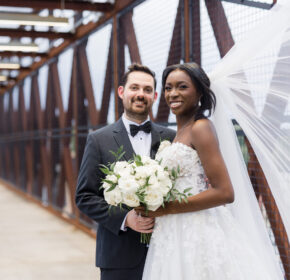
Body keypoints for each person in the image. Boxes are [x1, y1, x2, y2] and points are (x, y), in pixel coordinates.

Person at [136, 63, 281, 280]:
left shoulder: (200, 128)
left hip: (196, 231)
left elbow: (225, 193)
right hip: (171, 231)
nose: (173, 93)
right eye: (168, 87)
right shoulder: (179, 133)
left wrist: (166, 208)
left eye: (182, 87)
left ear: (200, 92)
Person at [75, 63, 176, 280]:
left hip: (166, 252)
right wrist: (125, 218)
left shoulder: (171, 137)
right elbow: (84, 197)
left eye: (147, 90)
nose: (141, 94)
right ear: (122, 92)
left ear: (155, 95)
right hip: (118, 256)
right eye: (135, 88)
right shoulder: (98, 140)